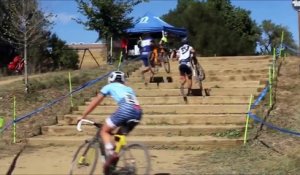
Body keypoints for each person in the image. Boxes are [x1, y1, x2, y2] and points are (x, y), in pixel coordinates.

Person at [77, 71, 142, 175]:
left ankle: (111, 155)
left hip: (125, 109)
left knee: (104, 131)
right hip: (138, 112)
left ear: (111, 79)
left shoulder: (109, 86)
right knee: (118, 137)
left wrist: (83, 115)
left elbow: (96, 102)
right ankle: (113, 167)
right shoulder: (129, 89)